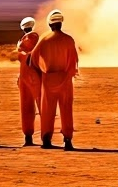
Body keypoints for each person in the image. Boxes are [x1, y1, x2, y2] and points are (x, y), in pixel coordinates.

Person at [31, 9, 79, 150]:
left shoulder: (44, 39)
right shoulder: (69, 40)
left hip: (48, 80)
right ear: (61, 23)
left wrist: (42, 69)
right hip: (65, 80)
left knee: (47, 111)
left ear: (50, 24)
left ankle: (46, 140)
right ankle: (68, 140)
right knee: (66, 110)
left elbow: (33, 59)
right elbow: (74, 61)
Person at [16, 15, 41, 146]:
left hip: (27, 76)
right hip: (35, 75)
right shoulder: (37, 39)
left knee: (26, 107)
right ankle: (45, 137)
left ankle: (28, 137)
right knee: (42, 105)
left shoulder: (24, 41)